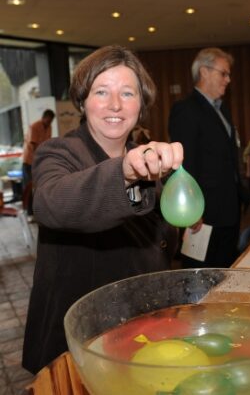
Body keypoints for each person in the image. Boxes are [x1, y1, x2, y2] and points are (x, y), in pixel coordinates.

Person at [22, 45, 184, 374]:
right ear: (82, 101)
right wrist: (124, 171)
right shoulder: (59, 152)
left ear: (141, 105)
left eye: (127, 93)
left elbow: (156, 239)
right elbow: (52, 202)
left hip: (143, 326)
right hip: (84, 338)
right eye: (101, 91)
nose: (115, 105)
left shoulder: (145, 155)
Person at [168, 47, 242, 268]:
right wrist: (191, 209)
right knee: (200, 275)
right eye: (223, 73)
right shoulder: (186, 110)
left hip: (228, 208)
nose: (228, 80)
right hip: (203, 213)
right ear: (204, 72)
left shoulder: (222, 109)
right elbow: (183, 164)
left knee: (225, 271)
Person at [22, 109, 55, 219]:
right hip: (29, 161)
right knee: (30, 187)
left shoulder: (49, 127)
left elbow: (48, 144)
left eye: (51, 121)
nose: (50, 123)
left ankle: (40, 211)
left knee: (40, 187)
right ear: (44, 117)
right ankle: (29, 213)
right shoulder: (34, 127)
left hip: (40, 161)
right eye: (49, 120)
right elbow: (34, 145)